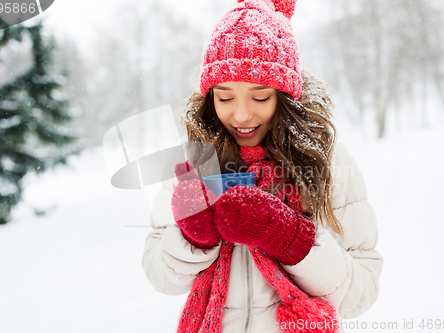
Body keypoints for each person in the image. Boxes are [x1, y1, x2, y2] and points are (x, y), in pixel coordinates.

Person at [142, 0, 383, 332]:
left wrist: (290, 237)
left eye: (260, 98)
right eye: (225, 98)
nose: (241, 116)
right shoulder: (195, 164)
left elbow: (361, 294)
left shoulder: (327, 161)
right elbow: (160, 277)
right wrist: (192, 239)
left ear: (285, 97)